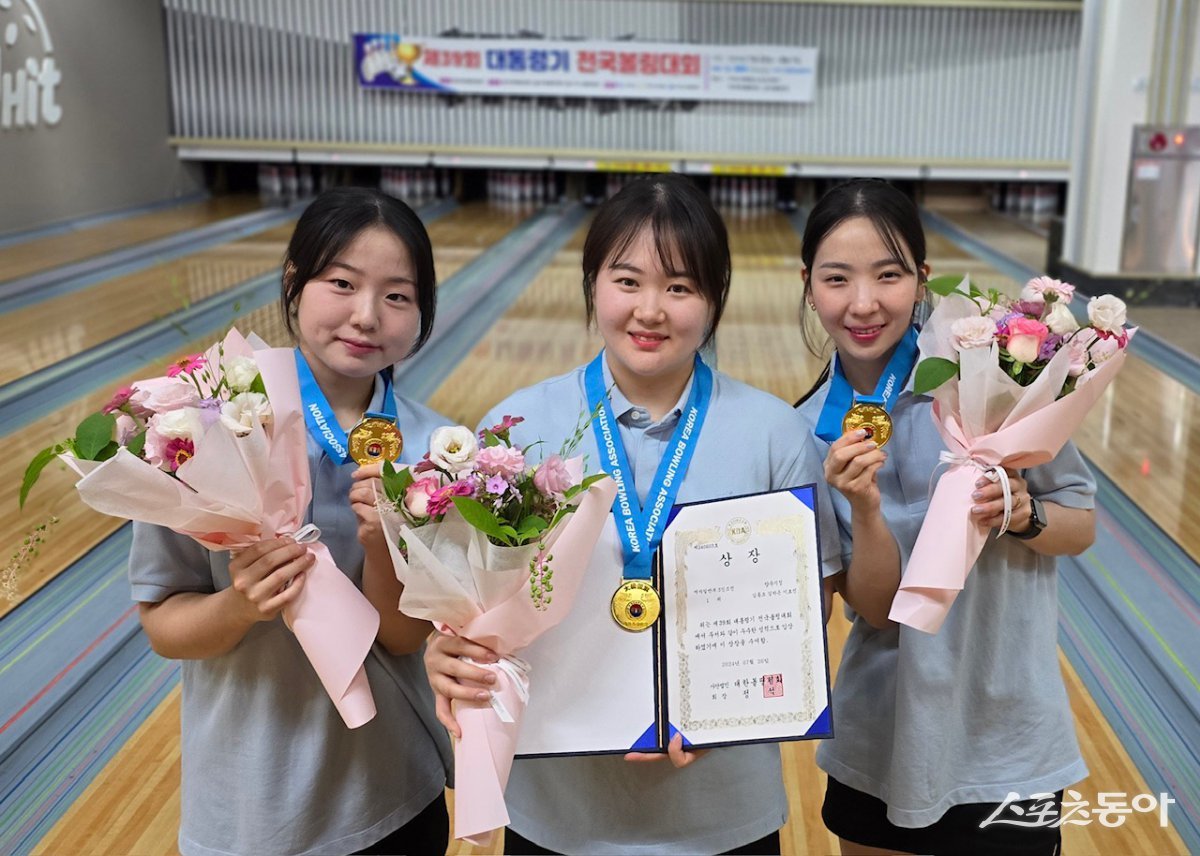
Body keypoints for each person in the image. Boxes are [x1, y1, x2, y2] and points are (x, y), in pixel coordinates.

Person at [424, 173, 844, 855]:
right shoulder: (519, 427)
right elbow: (471, 611)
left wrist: (726, 711)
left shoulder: (775, 435)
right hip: (556, 816)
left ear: (714, 301)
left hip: (725, 817)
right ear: (593, 285)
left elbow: (807, 610)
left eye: (679, 287)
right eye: (627, 281)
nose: (651, 309)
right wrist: (449, 654)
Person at [128, 187, 452, 856]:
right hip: (250, 809)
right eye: (342, 283)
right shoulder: (198, 428)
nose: (366, 316)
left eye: (398, 296)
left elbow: (400, 640)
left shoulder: (436, 452)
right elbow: (164, 625)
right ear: (293, 283)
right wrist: (240, 607)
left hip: (390, 794)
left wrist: (383, 548)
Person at [794, 179, 1096, 856]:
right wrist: (865, 510)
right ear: (809, 284)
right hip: (885, 738)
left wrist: (1026, 514)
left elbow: (1082, 523)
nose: (863, 303)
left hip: (1008, 740)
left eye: (889, 275)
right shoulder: (807, 437)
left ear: (923, 278)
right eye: (837, 279)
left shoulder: (999, 382)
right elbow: (873, 610)